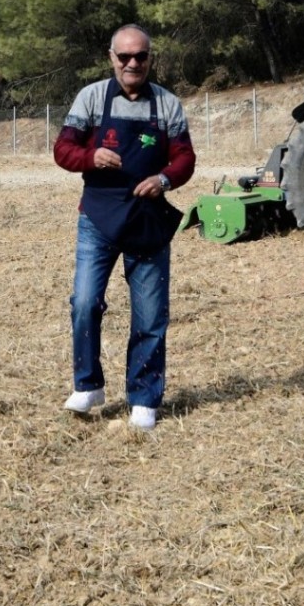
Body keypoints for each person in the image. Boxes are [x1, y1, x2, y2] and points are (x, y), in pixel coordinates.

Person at [51, 26, 195, 429]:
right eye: (124, 57)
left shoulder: (167, 104)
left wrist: (164, 180)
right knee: (84, 302)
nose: (133, 64)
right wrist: (90, 156)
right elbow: (63, 149)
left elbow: (184, 157)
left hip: (146, 220)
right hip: (97, 216)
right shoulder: (92, 98)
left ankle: (144, 398)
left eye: (141, 56)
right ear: (111, 57)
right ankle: (88, 385)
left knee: (150, 316)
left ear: (150, 58)